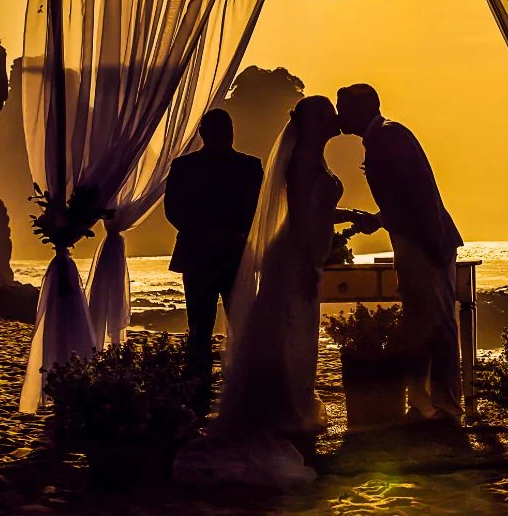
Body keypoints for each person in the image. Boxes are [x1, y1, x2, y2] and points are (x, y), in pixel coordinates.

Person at [173, 96, 364, 487]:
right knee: (201, 331)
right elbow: (176, 210)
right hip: (207, 256)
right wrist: (214, 234)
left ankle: (255, 398)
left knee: (253, 330)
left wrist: (344, 219)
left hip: (246, 255)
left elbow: (267, 208)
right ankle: (201, 403)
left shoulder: (252, 165)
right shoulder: (186, 166)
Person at [336, 83, 465, 426]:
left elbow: (421, 195)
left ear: (363, 109)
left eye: (342, 107)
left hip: (424, 244)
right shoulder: (383, 138)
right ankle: (425, 405)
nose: (338, 115)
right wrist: (379, 220)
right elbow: (403, 198)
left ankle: (446, 407)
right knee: (422, 324)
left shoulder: (388, 137)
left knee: (437, 325)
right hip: (415, 243)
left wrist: (433, 244)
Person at [164, 109, 263, 412]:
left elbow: (174, 211)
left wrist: (203, 233)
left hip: (199, 254)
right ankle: (244, 386)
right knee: (239, 324)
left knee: (202, 326)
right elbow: (258, 210)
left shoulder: (184, 167)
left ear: (202, 134)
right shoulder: (250, 166)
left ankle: (199, 392)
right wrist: (234, 233)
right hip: (232, 254)